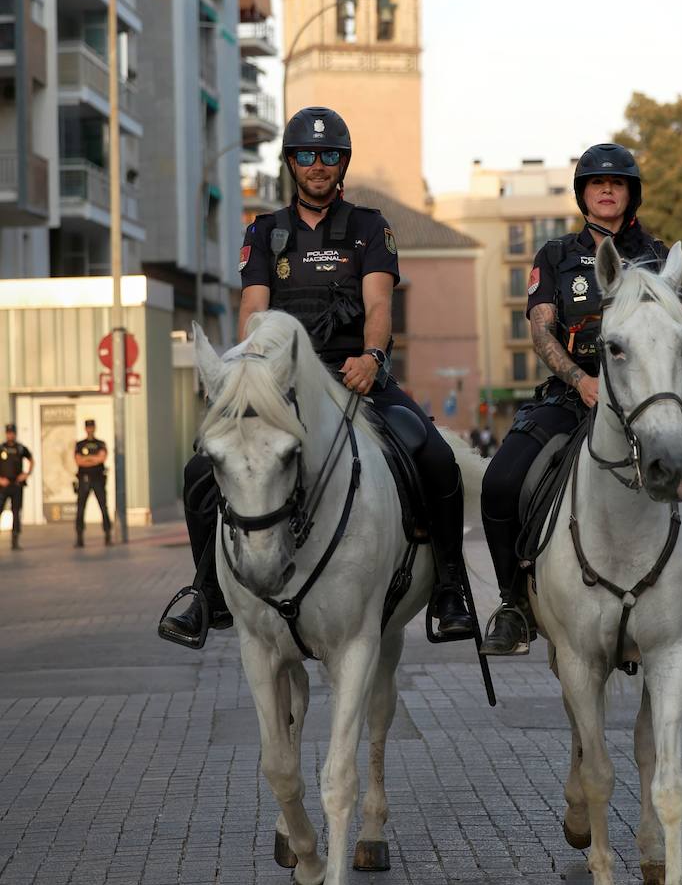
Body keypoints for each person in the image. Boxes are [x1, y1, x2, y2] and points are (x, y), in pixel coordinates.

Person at [160, 106, 473, 645]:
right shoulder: (264, 232)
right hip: (283, 384)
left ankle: (450, 589)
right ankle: (207, 591)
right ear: (291, 163)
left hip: (357, 376)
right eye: (306, 154)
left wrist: (372, 357)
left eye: (329, 155)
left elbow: (379, 304)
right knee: (199, 473)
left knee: (435, 456)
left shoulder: (370, 227)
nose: (317, 164)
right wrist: (255, 372)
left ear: (342, 163)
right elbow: (253, 313)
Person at [479, 143, 682, 657]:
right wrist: (580, 380)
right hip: (576, 394)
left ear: (631, 194)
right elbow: (541, 332)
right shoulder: (555, 256)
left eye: (617, 183)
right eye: (596, 183)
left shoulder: (661, 257)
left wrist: (675, 395)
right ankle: (513, 604)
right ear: (582, 194)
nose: (606, 190)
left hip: (656, 395)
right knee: (501, 482)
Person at [74, 419, 112, 547]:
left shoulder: (100, 443)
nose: (90, 429)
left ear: (94, 428)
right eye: (88, 427)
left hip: (98, 479)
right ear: (85, 429)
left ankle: (107, 534)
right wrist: (93, 459)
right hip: (84, 479)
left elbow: (101, 458)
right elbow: (79, 461)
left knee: (103, 507)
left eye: (92, 427)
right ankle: (79, 537)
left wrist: (88, 459)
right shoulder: (80, 444)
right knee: (80, 508)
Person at [0, 423, 32, 550]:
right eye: (8, 433)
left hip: (16, 485)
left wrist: (26, 474)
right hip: (3, 486)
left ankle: (15, 540)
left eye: (12, 433)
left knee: (16, 512)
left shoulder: (20, 448)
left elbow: (31, 460)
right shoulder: (1, 448)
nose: (10, 435)